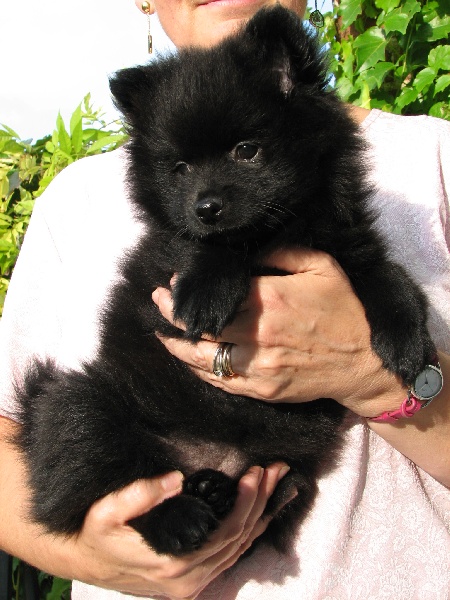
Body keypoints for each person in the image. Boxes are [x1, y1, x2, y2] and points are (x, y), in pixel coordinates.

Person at [0, 0, 449, 598]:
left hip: (315, 512)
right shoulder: (75, 203)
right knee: (75, 409)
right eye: (182, 168)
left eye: (245, 152)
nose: (208, 197)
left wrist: (380, 379)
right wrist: (89, 553)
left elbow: (363, 263)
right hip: (143, 438)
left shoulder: (434, 162)